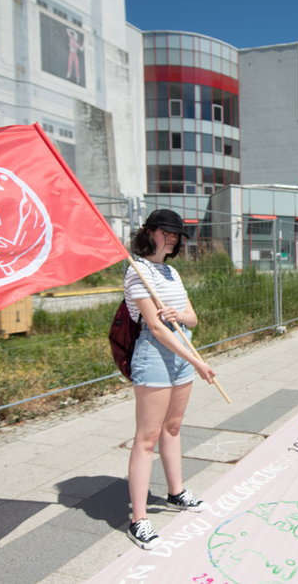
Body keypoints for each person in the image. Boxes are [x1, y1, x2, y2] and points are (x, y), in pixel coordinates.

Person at [124, 209, 217, 550]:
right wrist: (199, 362)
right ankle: (138, 519)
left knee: (173, 428)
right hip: (155, 358)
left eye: (177, 234)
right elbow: (157, 329)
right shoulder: (137, 271)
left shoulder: (170, 272)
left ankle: (176, 492)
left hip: (182, 357)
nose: (173, 238)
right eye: (167, 232)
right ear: (150, 232)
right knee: (146, 438)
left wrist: (180, 314)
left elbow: (191, 319)